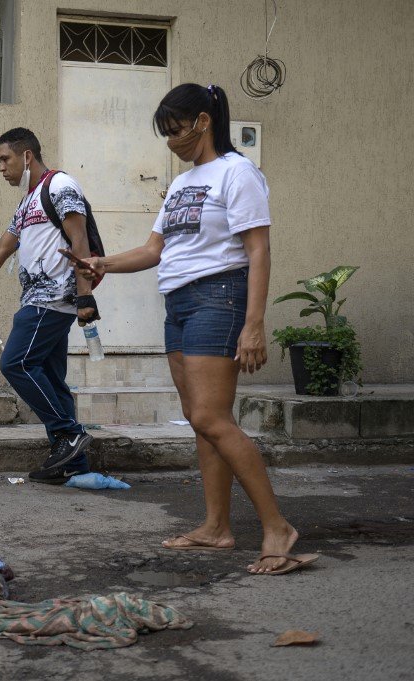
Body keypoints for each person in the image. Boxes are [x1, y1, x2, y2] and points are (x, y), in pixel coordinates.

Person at [68, 84, 316, 576]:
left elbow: (258, 251)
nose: (170, 141)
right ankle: (216, 527)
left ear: (203, 121)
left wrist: (254, 324)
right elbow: (155, 250)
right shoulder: (183, 184)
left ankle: (276, 526)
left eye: (176, 130)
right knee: (200, 420)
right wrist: (103, 263)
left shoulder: (239, 173)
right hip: (179, 302)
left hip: (218, 297)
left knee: (210, 417)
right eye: (164, 134)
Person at [0, 128, 99, 483]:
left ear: (27, 156)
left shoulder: (60, 186)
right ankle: (72, 465)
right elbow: (1, 250)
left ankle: (68, 433)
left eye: (4, 159)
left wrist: (85, 296)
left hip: (51, 298)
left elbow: (79, 238)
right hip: (40, 300)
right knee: (53, 381)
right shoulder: (27, 203)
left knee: (16, 363)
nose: (1, 167)